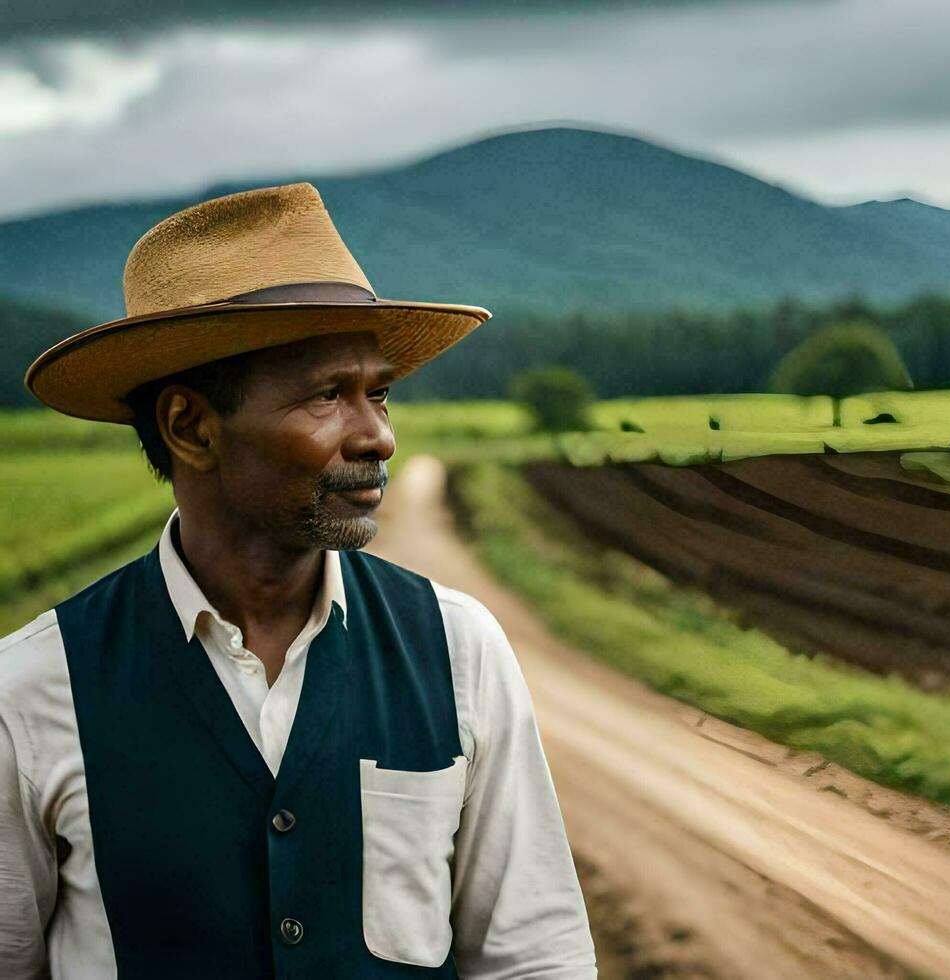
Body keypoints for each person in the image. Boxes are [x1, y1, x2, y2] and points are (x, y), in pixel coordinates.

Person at [0, 182, 599, 978]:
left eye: (377, 392)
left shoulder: (458, 650)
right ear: (190, 426)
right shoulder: (35, 689)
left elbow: (536, 958)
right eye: (328, 396)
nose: (379, 435)